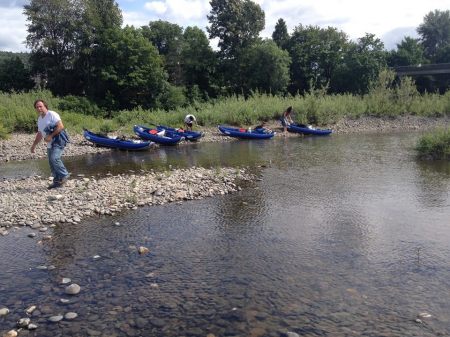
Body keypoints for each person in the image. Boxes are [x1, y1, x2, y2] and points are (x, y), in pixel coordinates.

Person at [31, 99, 70, 189]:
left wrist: (50, 136)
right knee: (52, 163)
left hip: (59, 140)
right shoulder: (40, 119)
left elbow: (61, 126)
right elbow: (40, 134)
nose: (39, 108)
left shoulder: (52, 114)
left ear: (45, 106)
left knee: (54, 158)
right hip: (50, 143)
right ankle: (57, 182)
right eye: (37, 107)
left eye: (40, 106)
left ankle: (64, 175)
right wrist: (34, 145)